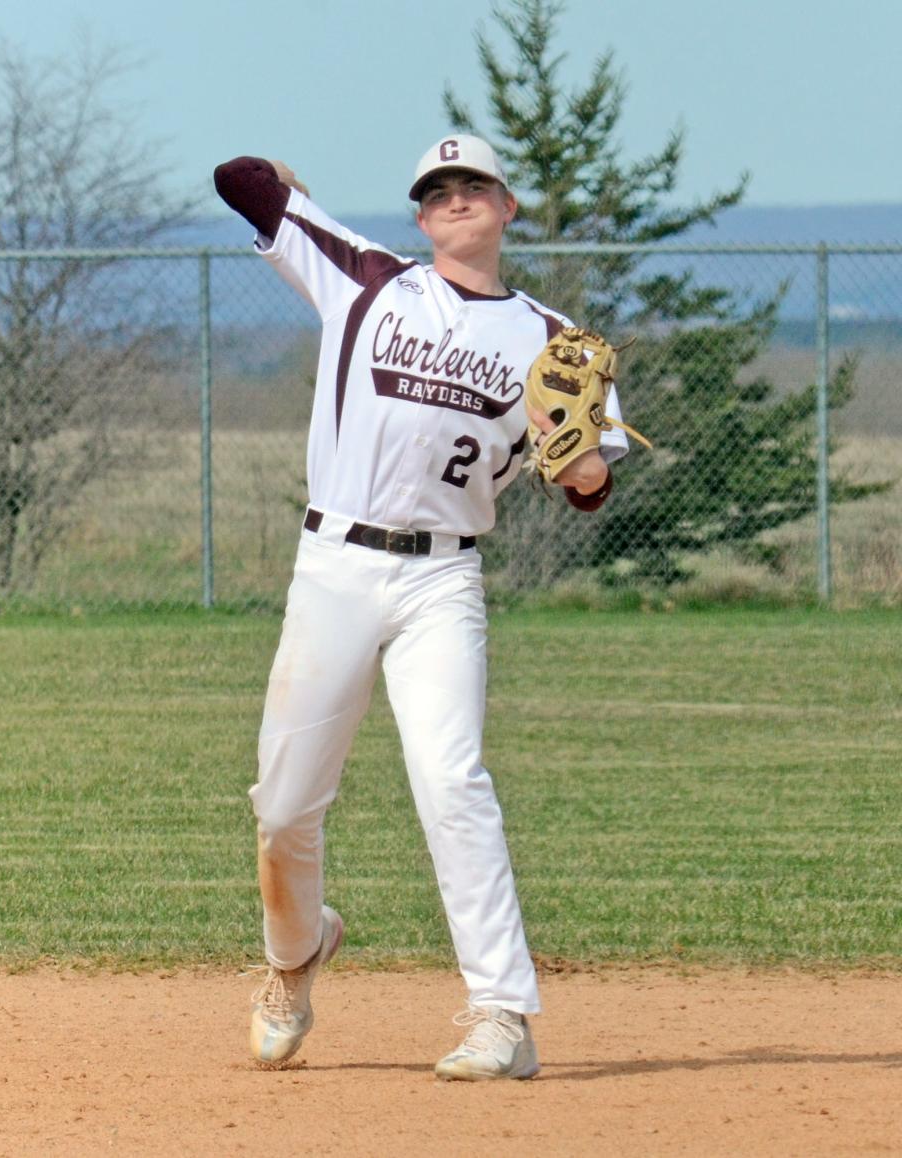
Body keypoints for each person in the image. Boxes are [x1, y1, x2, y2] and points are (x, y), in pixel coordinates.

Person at [213, 134, 629, 1081]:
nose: (454, 199)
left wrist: (582, 459)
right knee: (283, 809)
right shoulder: (364, 280)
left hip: (444, 578)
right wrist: (290, 186)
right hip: (336, 566)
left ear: (507, 206)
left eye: (472, 185)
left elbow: (588, 486)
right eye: (436, 191)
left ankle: (503, 1014)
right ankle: (294, 956)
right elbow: (239, 185)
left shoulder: (553, 340)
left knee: (452, 780)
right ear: (419, 215)